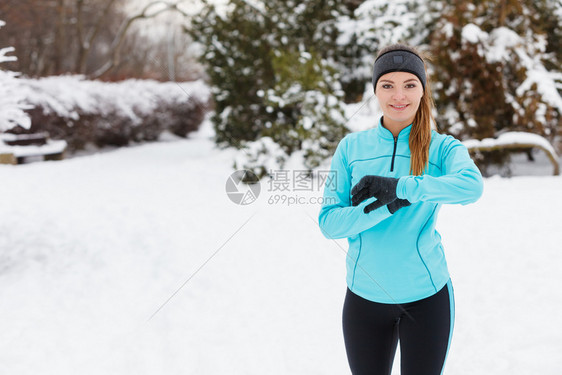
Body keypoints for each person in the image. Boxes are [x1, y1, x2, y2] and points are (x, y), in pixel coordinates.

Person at [318, 44, 484, 375]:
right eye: (387, 85)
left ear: (423, 90)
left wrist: (402, 187)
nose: (399, 95)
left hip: (426, 299)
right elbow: (329, 223)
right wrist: (384, 206)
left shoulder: (442, 147)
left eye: (410, 84)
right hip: (364, 299)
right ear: (375, 89)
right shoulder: (351, 148)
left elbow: (471, 186)